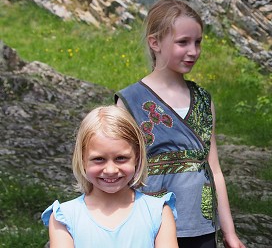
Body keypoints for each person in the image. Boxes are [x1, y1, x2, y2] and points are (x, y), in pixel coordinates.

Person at [115, 0, 245, 248]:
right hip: (149, 226)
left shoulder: (203, 101)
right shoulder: (130, 102)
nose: (193, 51)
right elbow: (120, 169)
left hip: (201, 226)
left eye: (198, 42)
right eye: (182, 42)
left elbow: (214, 169)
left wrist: (229, 231)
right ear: (155, 43)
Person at [41, 105, 178, 248]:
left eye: (121, 158)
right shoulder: (65, 217)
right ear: (82, 159)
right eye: (99, 159)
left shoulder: (158, 212)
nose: (111, 170)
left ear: (137, 156)